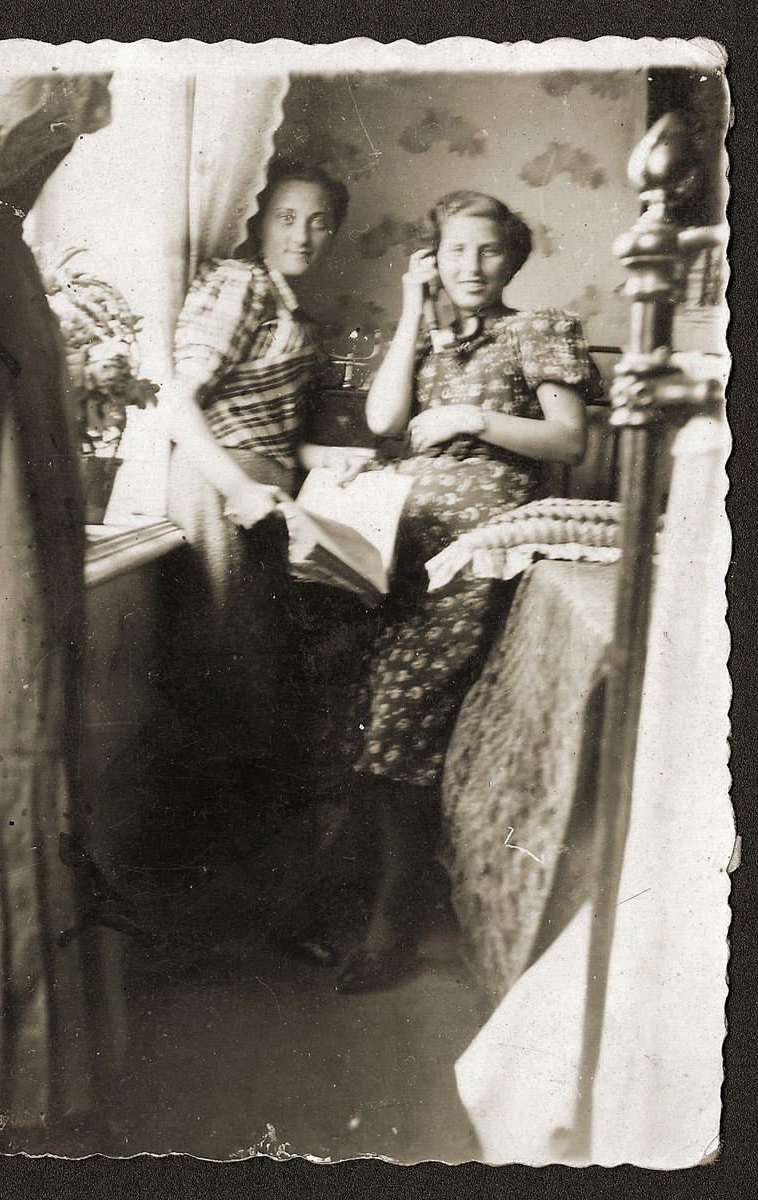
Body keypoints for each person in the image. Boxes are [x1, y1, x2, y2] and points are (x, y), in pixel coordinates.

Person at [331, 191, 604, 992]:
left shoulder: (539, 329)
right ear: (434, 258)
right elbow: (384, 419)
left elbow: (568, 437)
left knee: (401, 717)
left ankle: (394, 912)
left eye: (488, 252)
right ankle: (368, 890)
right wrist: (413, 310)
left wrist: (467, 417)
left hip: (476, 554)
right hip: (394, 556)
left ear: (512, 259)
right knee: (368, 709)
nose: (472, 267)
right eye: (455, 252)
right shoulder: (430, 333)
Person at [165, 160, 350, 792]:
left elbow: (268, 427)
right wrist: (238, 487)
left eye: (320, 223)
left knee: (255, 671)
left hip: (264, 494)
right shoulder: (240, 283)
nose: (302, 236)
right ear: (259, 220)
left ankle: (244, 849)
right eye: (287, 217)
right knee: (225, 666)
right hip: (220, 488)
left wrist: (321, 458)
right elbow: (178, 400)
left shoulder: (288, 304)